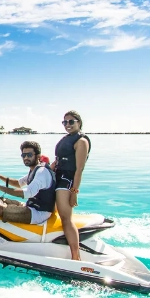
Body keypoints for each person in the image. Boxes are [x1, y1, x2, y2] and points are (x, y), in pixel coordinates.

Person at [0, 141, 56, 242]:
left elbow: (26, 193)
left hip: (38, 213)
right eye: (23, 155)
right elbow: (19, 183)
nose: (26, 158)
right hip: (31, 206)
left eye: (29, 155)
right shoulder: (34, 169)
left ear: (38, 156)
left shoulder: (41, 172)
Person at [53, 110, 90, 261]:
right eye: (65, 122)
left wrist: (74, 191)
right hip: (57, 177)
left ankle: (76, 257)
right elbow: (58, 160)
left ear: (79, 122)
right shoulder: (66, 138)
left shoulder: (81, 141)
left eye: (71, 122)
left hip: (67, 181)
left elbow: (79, 169)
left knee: (65, 218)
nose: (67, 125)